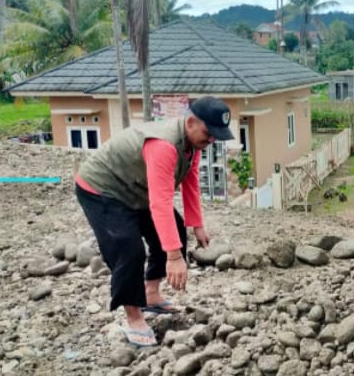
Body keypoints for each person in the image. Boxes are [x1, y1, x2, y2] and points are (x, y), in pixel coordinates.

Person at [74, 96, 234, 346]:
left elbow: (190, 180)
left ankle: (150, 293)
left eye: (216, 135)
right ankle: (134, 316)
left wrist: (197, 224)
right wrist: (173, 257)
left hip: (136, 189)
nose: (211, 139)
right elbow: (160, 203)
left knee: (176, 233)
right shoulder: (164, 146)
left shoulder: (191, 144)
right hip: (102, 188)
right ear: (191, 122)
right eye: (208, 132)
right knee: (128, 247)